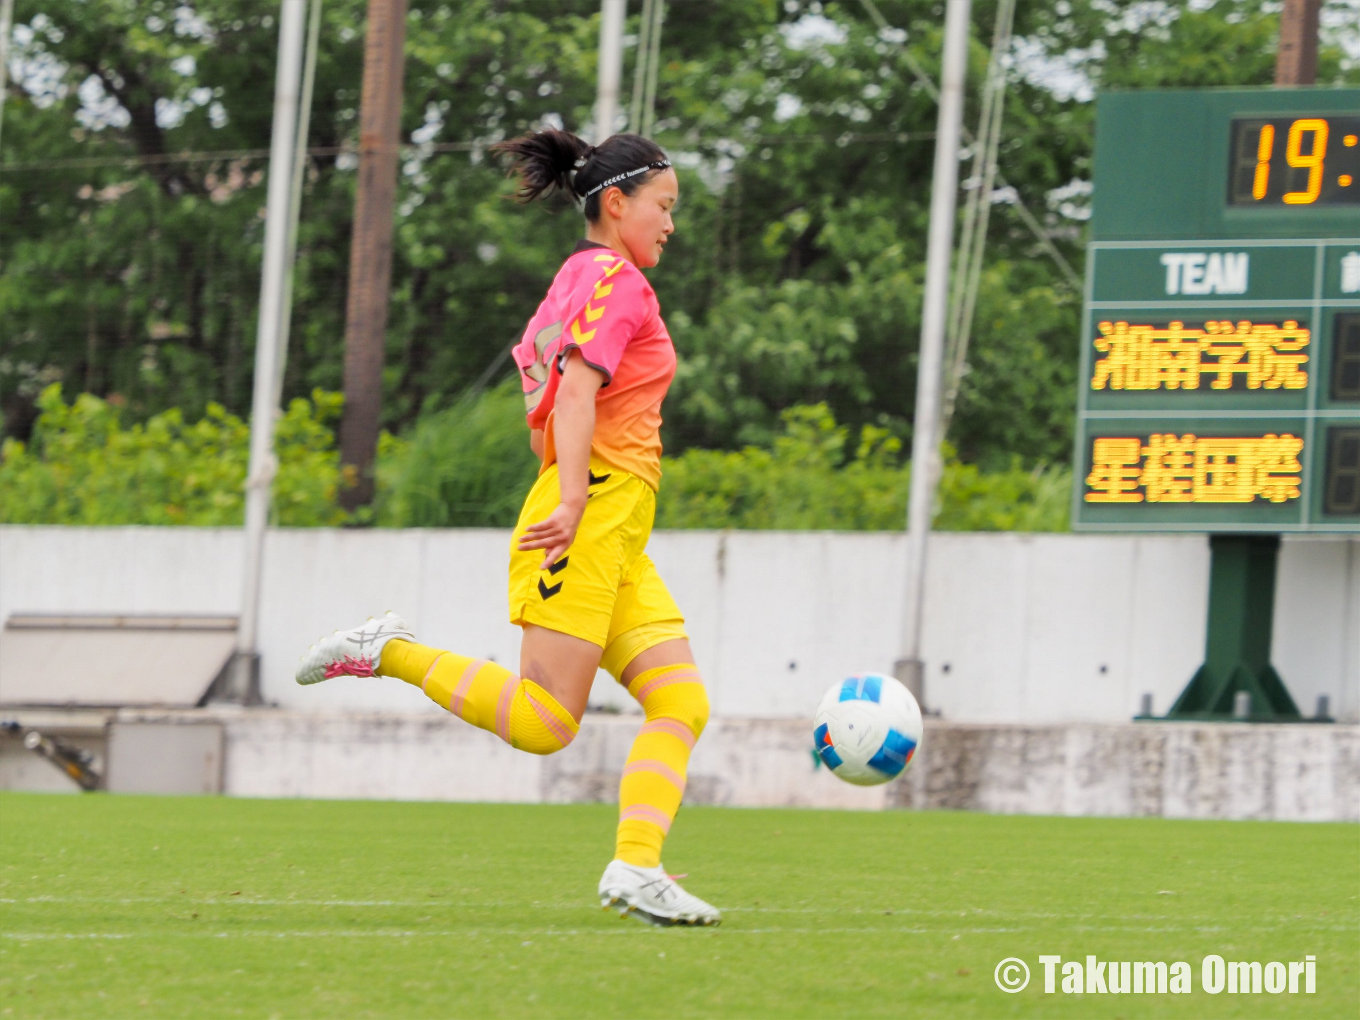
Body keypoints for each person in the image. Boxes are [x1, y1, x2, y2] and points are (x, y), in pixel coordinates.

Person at [295, 129, 719, 927]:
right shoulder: (616, 281)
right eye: (665, 207)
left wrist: (577, 487)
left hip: (612, 521)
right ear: (616, 203)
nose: (671, 223)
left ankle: (637, 868)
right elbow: (578, 389)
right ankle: (386, 650)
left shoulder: (570, 282)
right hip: (589, 510)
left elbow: (544, 398)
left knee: (681, 701)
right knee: (544, 721)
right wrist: (570, 498)